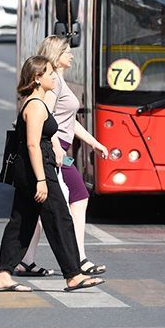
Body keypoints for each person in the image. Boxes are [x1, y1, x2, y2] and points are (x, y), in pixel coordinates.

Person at [0, 55, 105, 293]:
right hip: (37, 169)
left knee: (22, 221)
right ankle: (73, 275)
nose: (54, 77)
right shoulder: (34, 106)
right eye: (49, 73)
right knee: (59, 218)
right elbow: (33, 145)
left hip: (33, 168)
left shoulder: (37, 102)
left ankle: (3, 275)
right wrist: (42, 180)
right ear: (37, 78)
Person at [18, 36, 110, 278]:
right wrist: (57, 147)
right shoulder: (54, 83)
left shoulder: (59, 81)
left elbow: (68, 122)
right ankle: (78, 260)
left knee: (38, 210)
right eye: (67, 51)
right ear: (56, 55)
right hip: (55, 153)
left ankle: (25, 260)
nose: (72, 55)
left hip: (59, 151)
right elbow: (47, 120)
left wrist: (94, 143)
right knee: (77, 197)